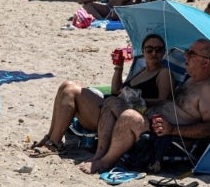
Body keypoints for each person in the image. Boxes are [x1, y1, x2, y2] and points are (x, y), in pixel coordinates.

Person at [79, 39, 210, 174]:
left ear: (206, 63)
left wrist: (172, 129)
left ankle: (106, 162)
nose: (185, 56)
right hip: (153, 124)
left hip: (168, 138)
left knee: (129, 117)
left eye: (191, 54)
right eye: (187, 52)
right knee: (112, 102)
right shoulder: (192, 80)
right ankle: (99, 154)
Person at [31, 34, 173, 154]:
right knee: (66, 85)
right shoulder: (141, 71)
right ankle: (51, 137)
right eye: (149, 49)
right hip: (113, 106)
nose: (154, 53)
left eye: (158, 50)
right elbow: (115, 91)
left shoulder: (164, 73)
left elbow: (163, 101)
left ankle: (54, 143)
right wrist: (119, 66)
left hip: (119, 116)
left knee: (71, 91)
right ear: (143, 51)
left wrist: (139, 100)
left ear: (163, 52)